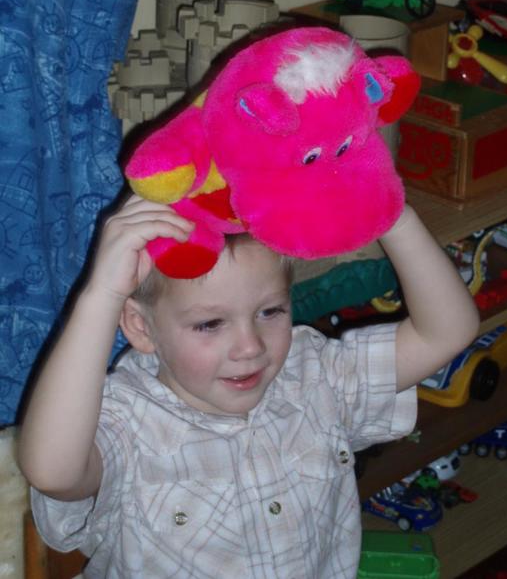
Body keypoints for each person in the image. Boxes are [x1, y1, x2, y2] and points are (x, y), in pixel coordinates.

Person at [18, 193, 479, 578]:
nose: (250, 346)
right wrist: (101, 295)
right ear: (141, 328)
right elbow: (53, 472)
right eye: (210, 324)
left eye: (270, 312)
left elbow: (447, 332)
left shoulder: (315, 376)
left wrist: (393, 213)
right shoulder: (128, 423)